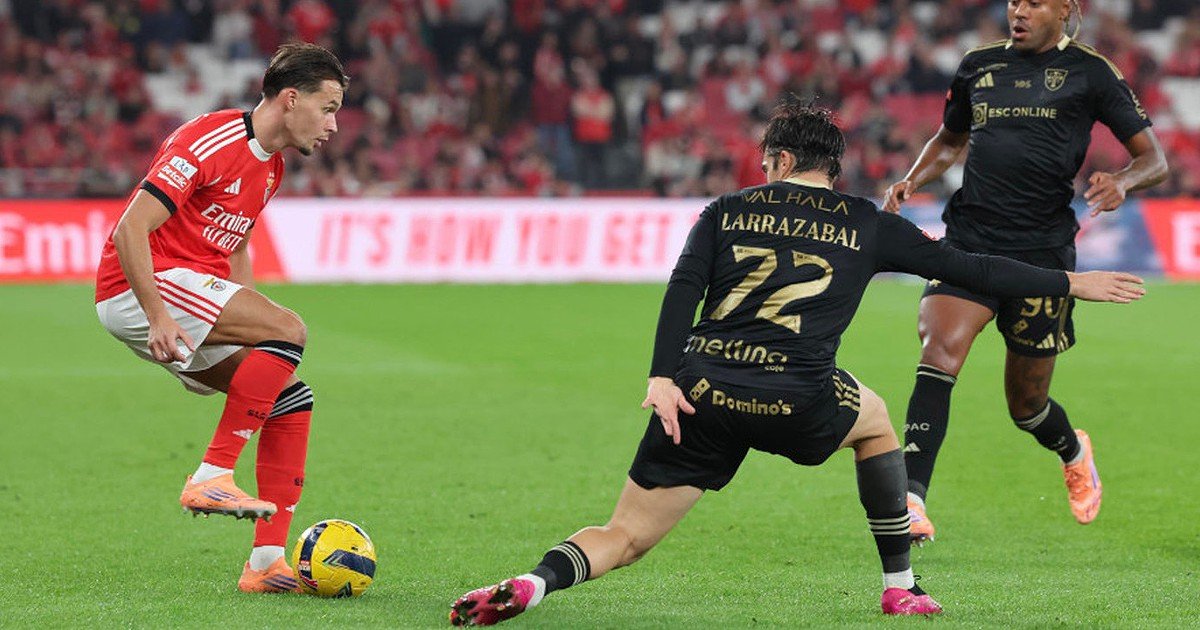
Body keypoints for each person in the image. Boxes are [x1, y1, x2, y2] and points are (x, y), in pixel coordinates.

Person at [448, 103, 1145, 626]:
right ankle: (900, 587)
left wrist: (661, 375)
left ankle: (535, 583)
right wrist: (1069, 281)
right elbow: (971, 267)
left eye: (765, 161)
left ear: (780, 159)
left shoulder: (725, 210)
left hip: (699, 392)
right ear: (829, 167)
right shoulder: (866, 222)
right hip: (796, 396)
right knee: (876, 423)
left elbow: (683, 289)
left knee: (624, 535)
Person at [882, 0, 1168, 543]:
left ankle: (1074, 451)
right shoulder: (978, 65)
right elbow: (949, 139)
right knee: (938, 352)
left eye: (1034, 3)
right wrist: (913, 178)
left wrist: (1124, 181)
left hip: (1042, 254)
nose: (1019, 11)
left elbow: (1154, 158)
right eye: (1015, 1)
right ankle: (911, 501)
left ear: (1065, 10)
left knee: (1027, 406)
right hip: (970, 240)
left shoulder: (1091, 71)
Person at [94, 43, 347, 593]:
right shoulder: (211, 140)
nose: (333, 125)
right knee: (290, 329)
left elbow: (238, 245)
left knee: (289, 396)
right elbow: (130, 228)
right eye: (327, 108)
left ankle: (265, 563)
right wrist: (158, 317)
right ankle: (210, 475)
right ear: (290, 99)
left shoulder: (271, 168)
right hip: (141, 285)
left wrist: (251, 332)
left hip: (190, 292)